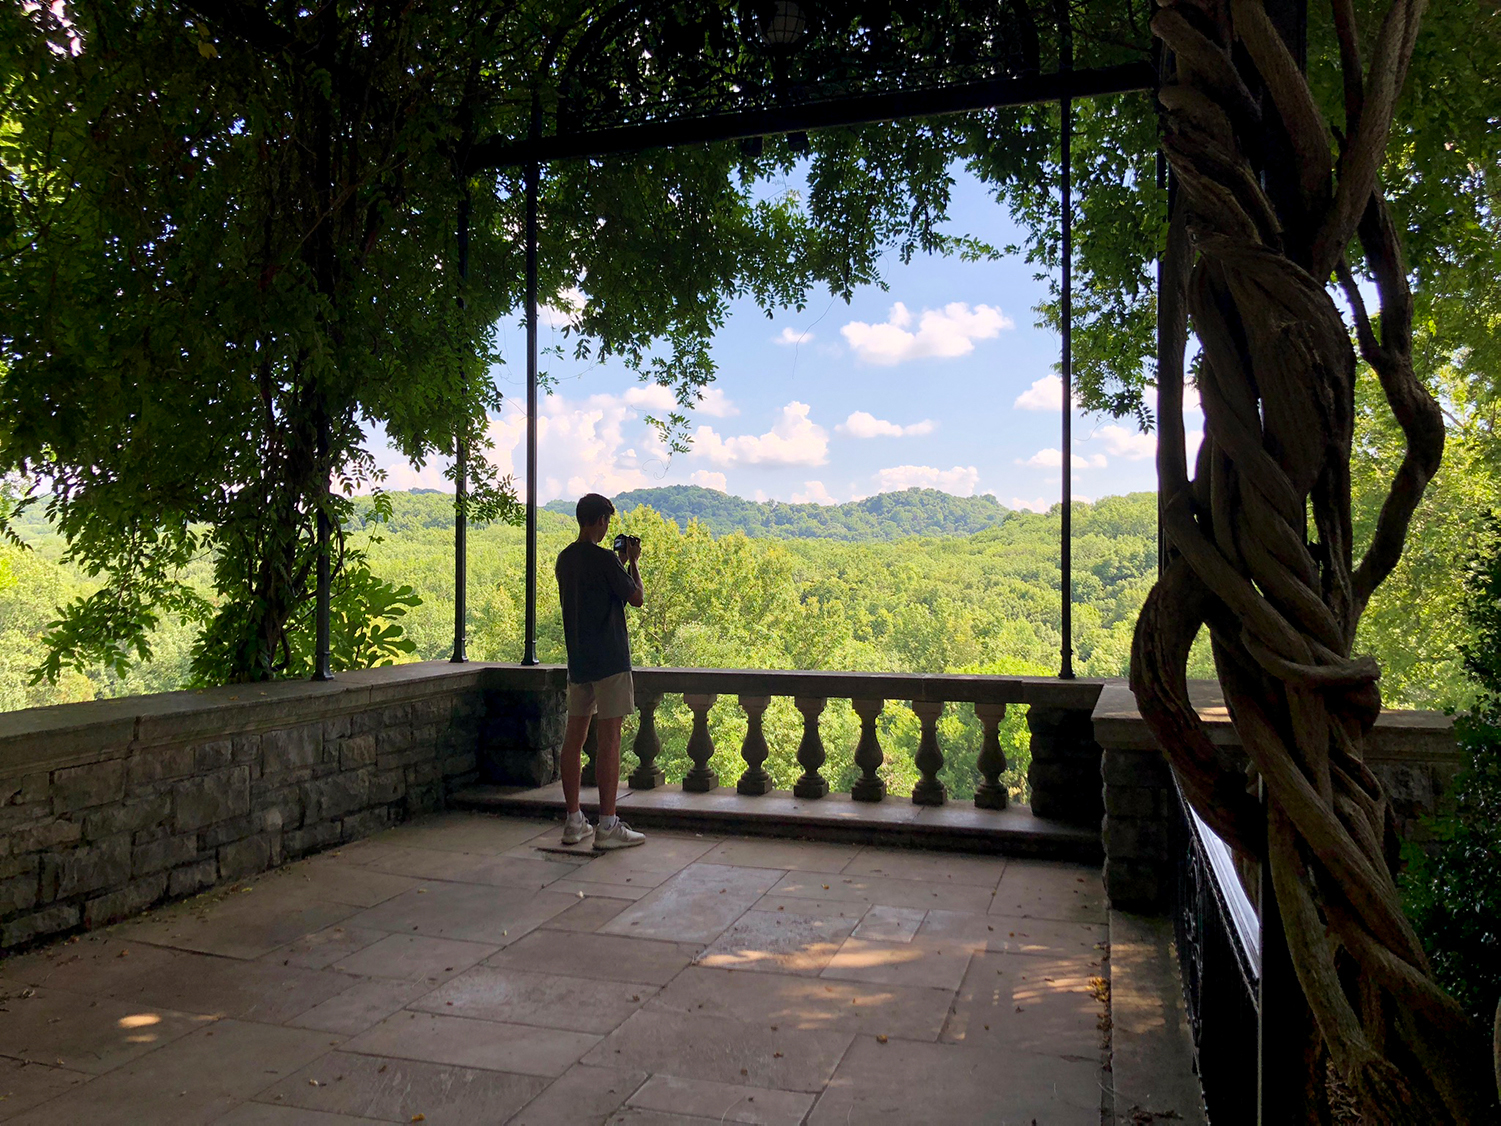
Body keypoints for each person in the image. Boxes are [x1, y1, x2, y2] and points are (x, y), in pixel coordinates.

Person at [554, 493, 646, 849]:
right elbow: (635, 597)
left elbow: (591, 588)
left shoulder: (565, 559)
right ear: (599, 521)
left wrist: (617, 563)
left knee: (573, 740)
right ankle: (608, 824)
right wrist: (632, 563)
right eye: (607, 520)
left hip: (579, 659)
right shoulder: (606, 559)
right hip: (610, 660)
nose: (609, 527)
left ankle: (574, 820)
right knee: (609, 740)